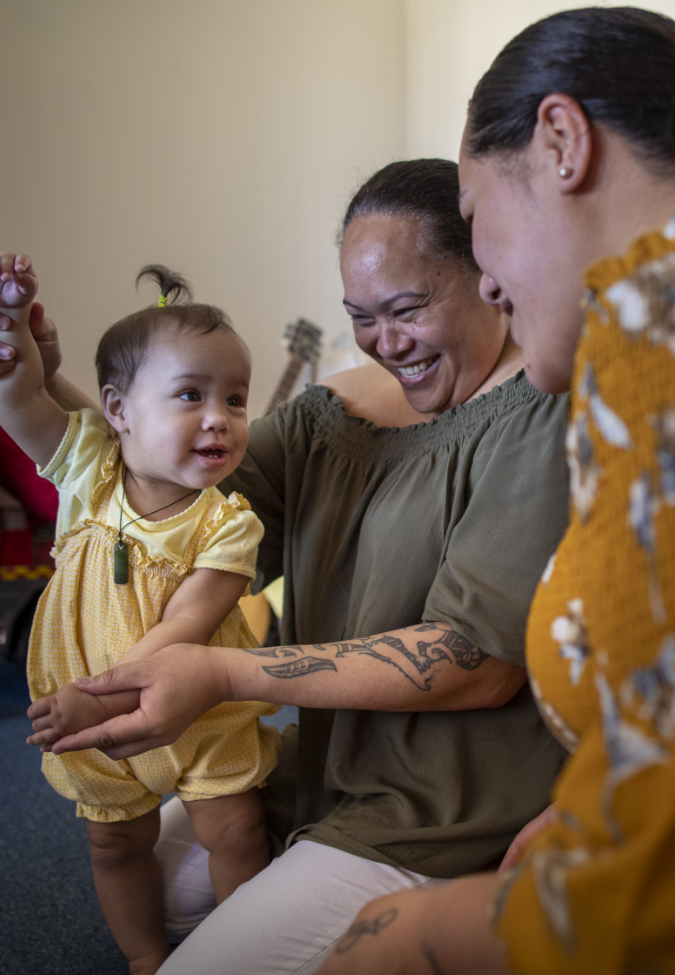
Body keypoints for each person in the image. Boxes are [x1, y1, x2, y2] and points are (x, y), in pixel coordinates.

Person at [14, 160, 571, 975]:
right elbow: (161, 492)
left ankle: (457, 912)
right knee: (146, 889)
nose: (385, 342)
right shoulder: (328, 415)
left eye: (407, 309)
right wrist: (35, 385)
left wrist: (222, 672)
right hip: (324, 773)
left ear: (486, 278)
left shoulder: (541, 413)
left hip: (443, 807)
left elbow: (474, 664)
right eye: (361, 317)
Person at [314, 7, 675, 974]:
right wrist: (586, 806)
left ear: (561, 142)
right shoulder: (631, 340)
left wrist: (425, 935)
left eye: (478, 225)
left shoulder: (650, 342)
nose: (490, 280)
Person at [0, 259, 279, 975]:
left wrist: (97, 694)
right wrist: (13, 331)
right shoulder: (88, 468)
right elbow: (20, 400)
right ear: (119, 410)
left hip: (198, 706)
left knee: (237, 827)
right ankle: (145, 955)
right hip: (88, 708)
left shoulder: (228, 522)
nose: (220, 416)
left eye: (237, 398)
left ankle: (238, 955)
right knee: (114, 842)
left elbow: (184, 629)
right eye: (190, 394)